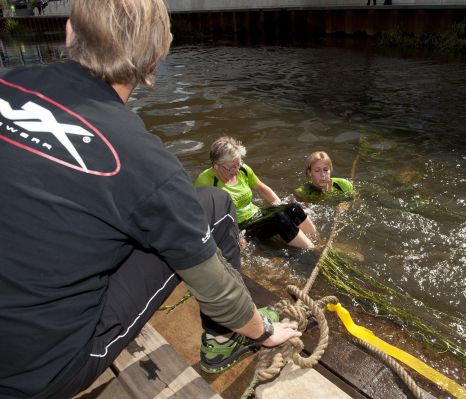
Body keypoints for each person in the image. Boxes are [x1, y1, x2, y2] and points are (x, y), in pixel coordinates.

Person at [0, 1, 300, 398]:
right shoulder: (147, 165)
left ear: (70, 32)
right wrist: (261, 331)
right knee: (211, 205)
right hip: (36, 372)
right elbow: (219, 292)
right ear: (154, 63)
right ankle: (223, 341)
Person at [195, 136, 318, 249]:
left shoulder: (243, 169)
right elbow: (200, 214)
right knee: (279, 217)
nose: (236, 170)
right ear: (216, 166)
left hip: (256, 216)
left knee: (293, 208)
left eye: (238, 164)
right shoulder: (205, 181)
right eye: (231, 167)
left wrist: (280, 206)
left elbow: (263, 189)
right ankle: (312, 251)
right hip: (242, 227)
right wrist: (235, 237)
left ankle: (319, 242)